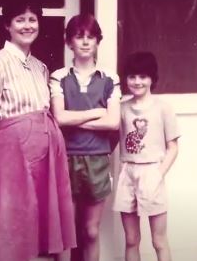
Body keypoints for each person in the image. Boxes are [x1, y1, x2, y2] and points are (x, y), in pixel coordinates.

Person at [0, 0, 76, 261]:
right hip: (11, 156)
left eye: (32, 19)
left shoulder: (40, 67)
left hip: (45, 156)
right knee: (13, 228)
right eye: (20, 20)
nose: (27, 25)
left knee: (41, 226)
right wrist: (5, 147)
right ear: (7, 25)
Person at [49, 14, 121, 261]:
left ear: (98, 41)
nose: (85, 42)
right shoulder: (59, 76)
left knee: (90, 232)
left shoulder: (110, 78)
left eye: (91, 37)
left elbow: (113, 122)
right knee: (65, 233)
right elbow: (58, 118)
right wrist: (96, 113)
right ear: (69, 42)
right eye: (79, 37)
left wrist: (76, 120)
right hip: (65, 159)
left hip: (98, 160)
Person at [113, 51, 180, 261]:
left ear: (152, 78)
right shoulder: (121, 108)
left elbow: (173, 147)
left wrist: (158, 174)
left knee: (158, 240)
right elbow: (110, 139)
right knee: (132, 240)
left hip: (152, 172)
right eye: (132, 76)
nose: (137, 81)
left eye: (142, 76)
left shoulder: (163, 108)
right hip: (128, 173)